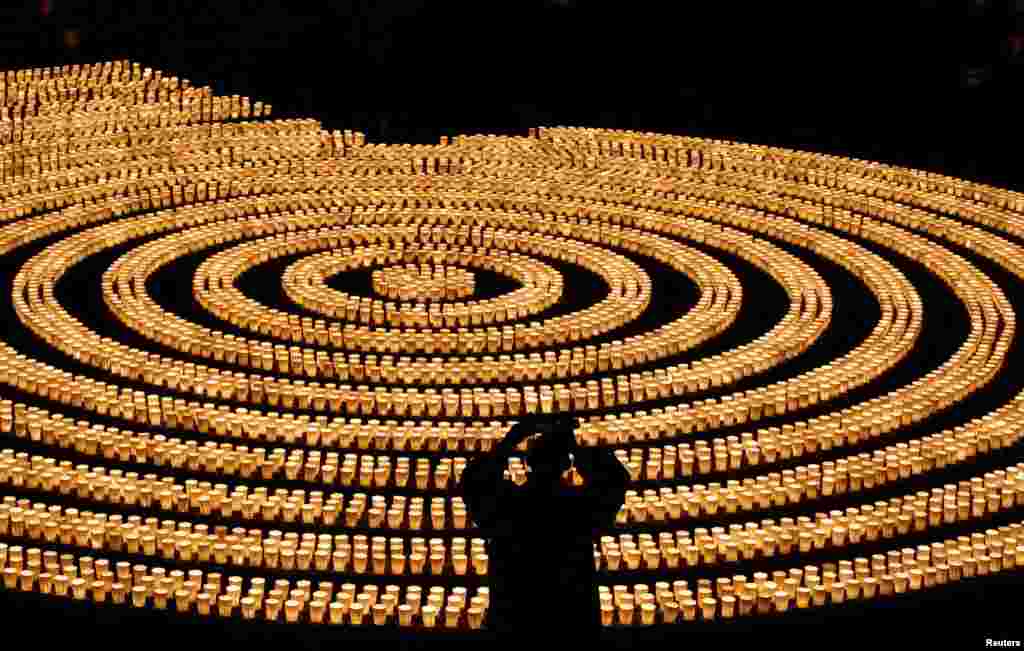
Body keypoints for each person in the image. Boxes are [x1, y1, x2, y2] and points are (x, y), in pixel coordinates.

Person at [457, 415, 630, 639]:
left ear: (528, 461)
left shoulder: (508, 505)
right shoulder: (579, 508)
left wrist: (512, 439)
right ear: (567, 463)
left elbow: (473, 480)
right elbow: (615, 479)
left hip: (515, 622)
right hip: (570, 623)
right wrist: (575, 449)